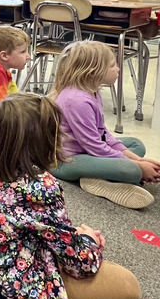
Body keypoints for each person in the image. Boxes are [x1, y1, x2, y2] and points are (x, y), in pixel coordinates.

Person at [0, 94, 155, 299]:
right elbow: (79, 261)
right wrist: (88, 241)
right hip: (4, 278)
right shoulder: (41, 186)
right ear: (43, 143)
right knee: (127, 285)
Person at [50, 41, 160, 209]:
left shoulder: (92, 91)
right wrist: (137, 166)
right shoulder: (76, 100)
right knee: (132, 171)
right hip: (64, 161)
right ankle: (102, 177)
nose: (118, 69)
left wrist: (139, 159)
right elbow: (94, 145)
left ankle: (97, 178)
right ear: (93, 71)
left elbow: (103, 134)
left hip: (86, 151)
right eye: (112, 65)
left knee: (137, 145)